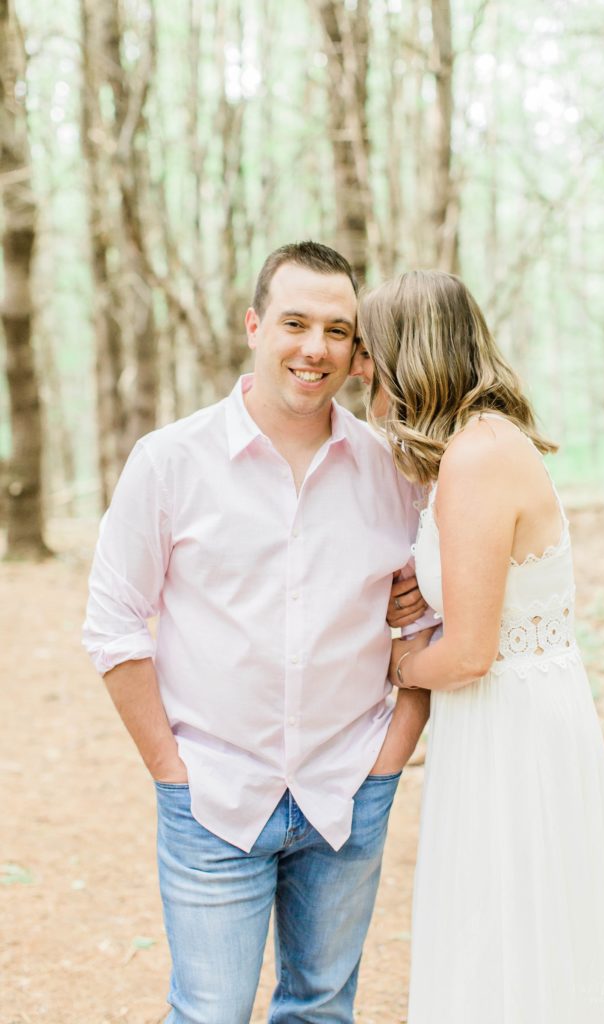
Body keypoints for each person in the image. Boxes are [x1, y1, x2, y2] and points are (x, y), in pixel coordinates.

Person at [82, 241, 435, 1024]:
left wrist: (389, 758)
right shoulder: (170, 462)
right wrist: (171, 769)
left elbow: (431, 619)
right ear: (254, 326)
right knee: (209, 1012)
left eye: (338, 331)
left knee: (320, 1008)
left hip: (348, 785)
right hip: (213, 790)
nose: (315, 348)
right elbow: (112, 624)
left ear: (357, 350)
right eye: (295, 323)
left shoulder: (392, 472)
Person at [357, 270, 604, 1023]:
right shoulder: (483, 444)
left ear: (409, 357)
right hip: (513, 713)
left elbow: (471, 653)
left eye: (369, 355)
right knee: (510, 930)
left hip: (511, 727)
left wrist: (398, 663)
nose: (361, 373)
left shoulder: (476, 457)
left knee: (504, 933)